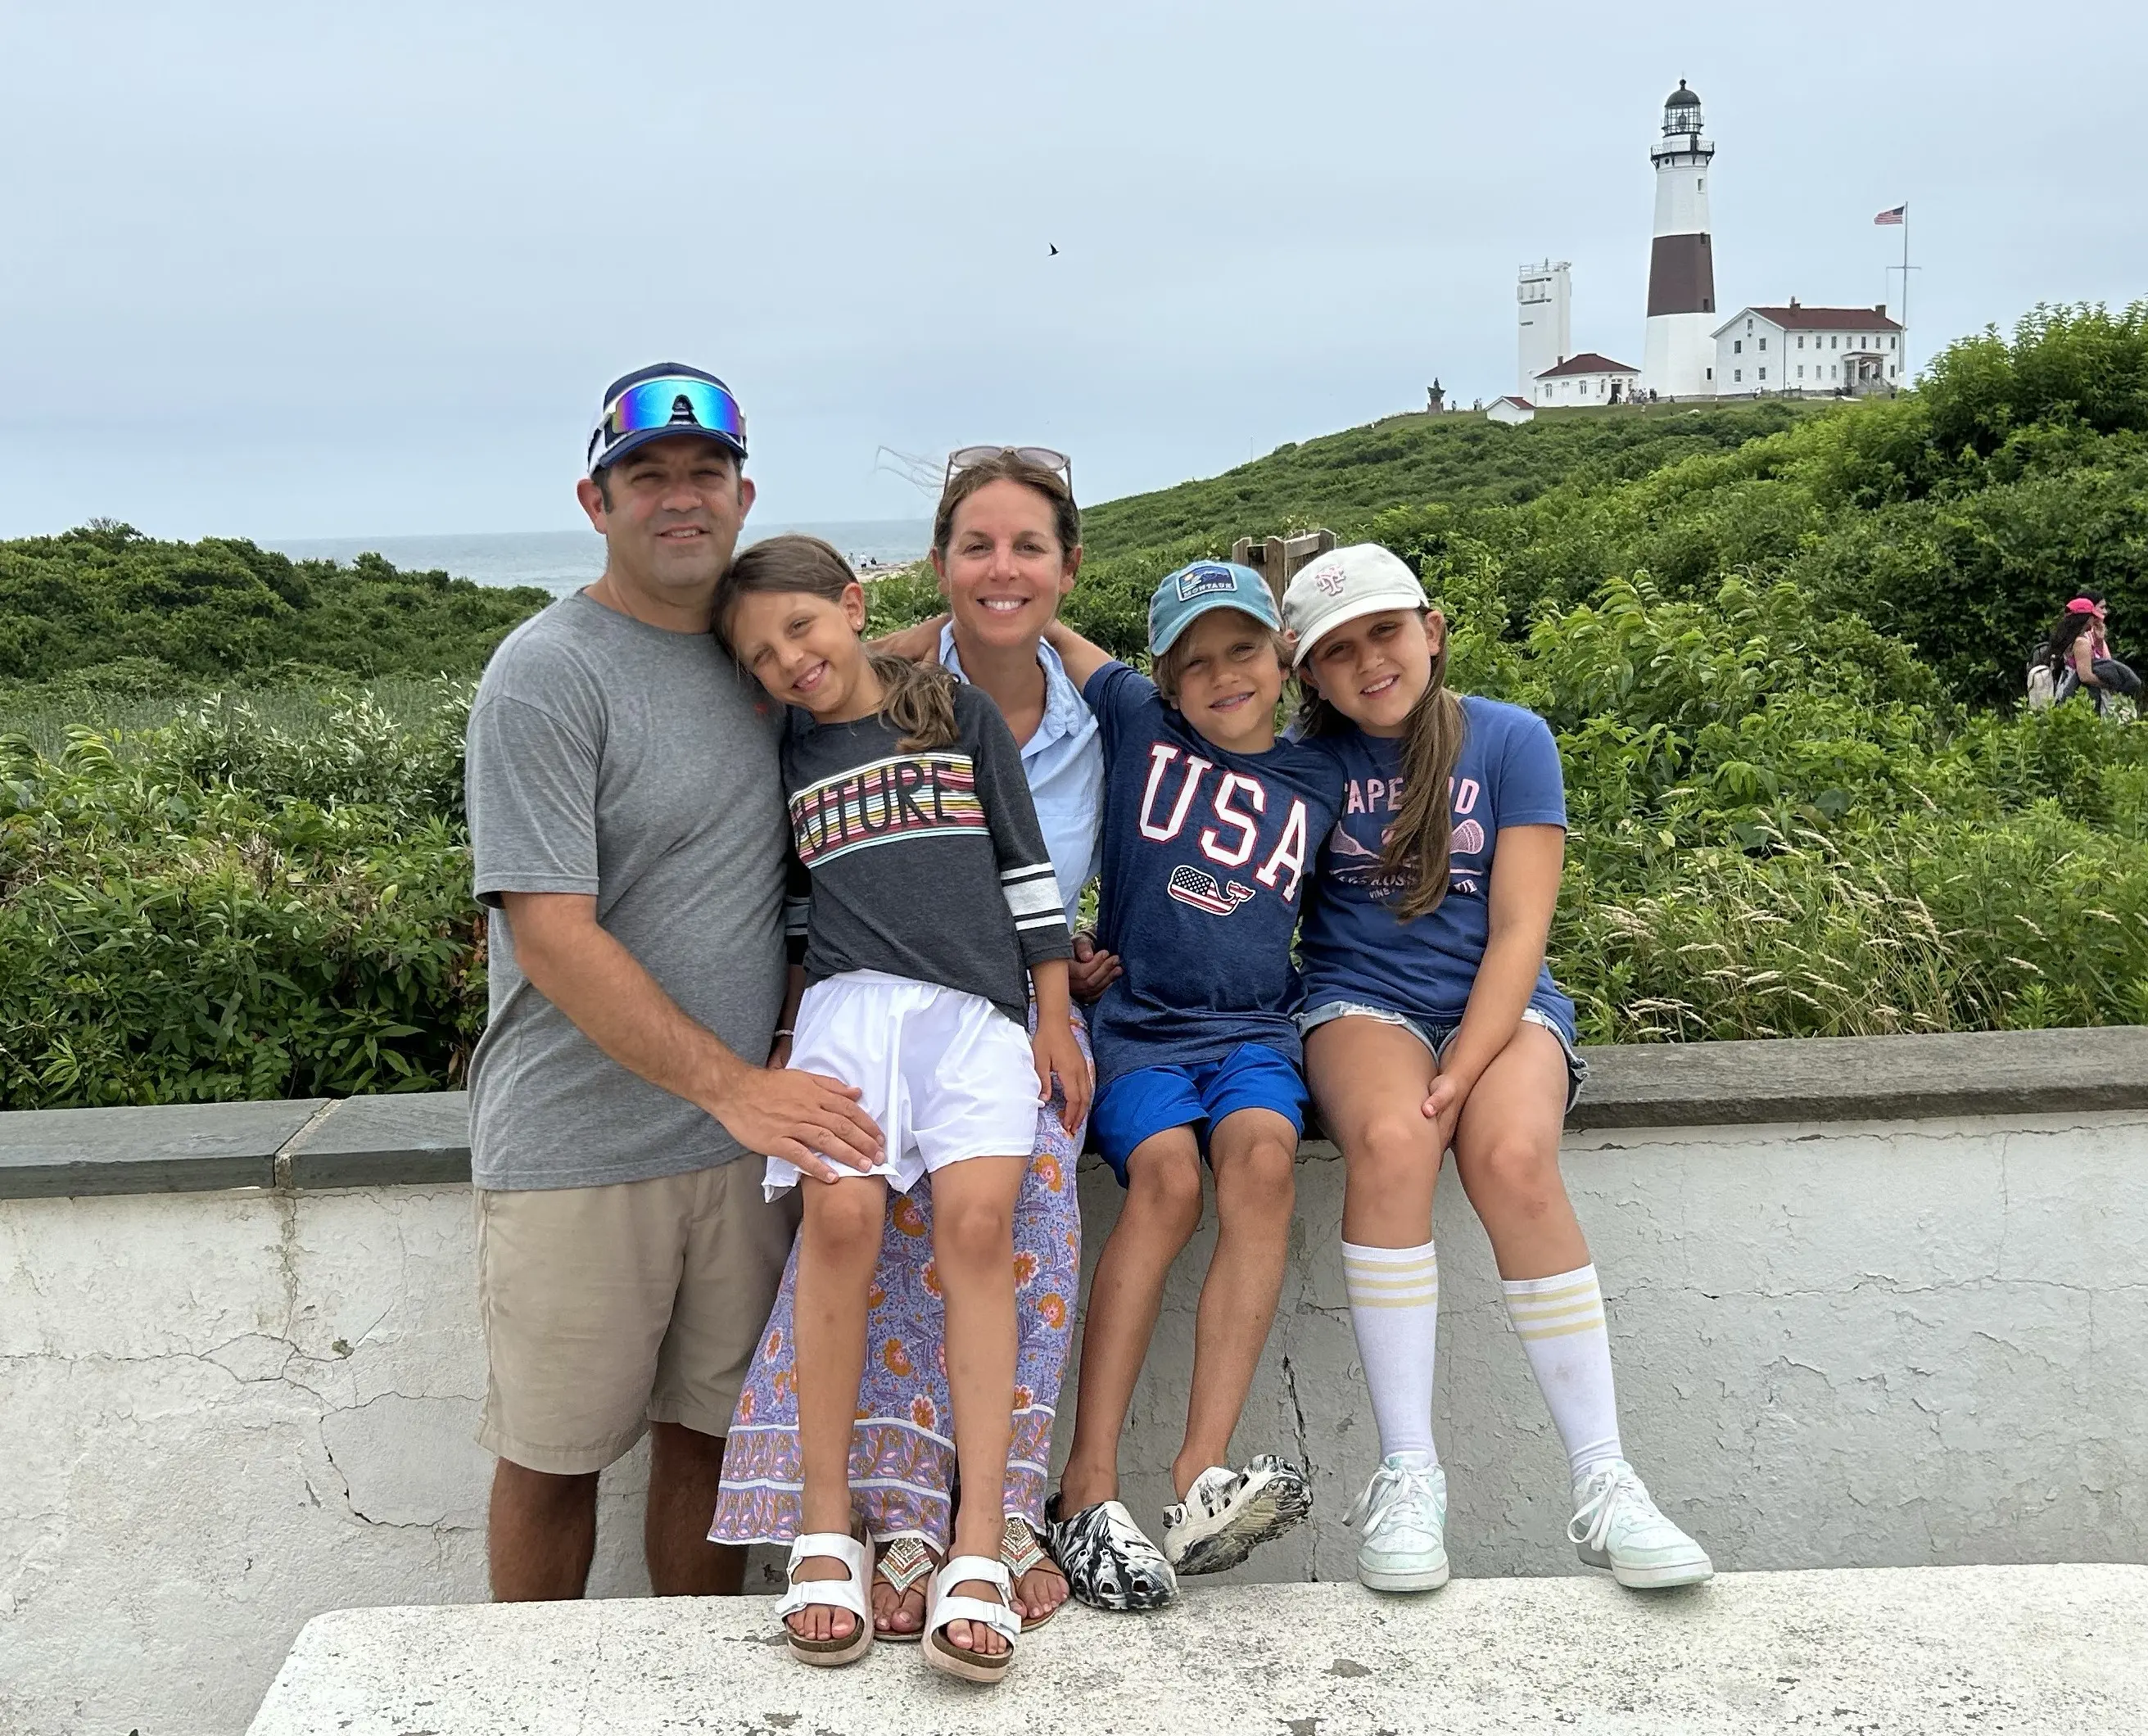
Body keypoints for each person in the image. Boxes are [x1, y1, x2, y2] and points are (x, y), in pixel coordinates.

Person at [462, 364, 883, 1603]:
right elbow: (550, 934)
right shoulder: (544, 671)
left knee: (714, 1445)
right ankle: (537, 1700)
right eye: (648, 476)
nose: (679, 498)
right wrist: (735, 1089)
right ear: (596, 503)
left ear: (743, 497)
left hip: (738, 1143)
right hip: (578, 1144)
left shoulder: (764, 661)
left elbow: (913, 651)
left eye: (705, 474)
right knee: (554, 1459)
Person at [710, 450, 1105, 1642]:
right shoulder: (780, 754)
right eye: (759, 655)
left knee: (980, 1234)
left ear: (852, 606)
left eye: (798, 628)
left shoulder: (950, 709)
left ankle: (979, 1534)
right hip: (844, 1013)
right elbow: (789, 908)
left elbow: (1027, 874)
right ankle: (824, 1523)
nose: (788, 661)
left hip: (978, 1017)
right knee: (840, 1221)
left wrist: (1048, 1012)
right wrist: (779, 1038)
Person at [1281, 542, 1712, 1594]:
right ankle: (1408, 1475)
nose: (1367, 661)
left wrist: (1465, 1067)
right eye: (1337, 651)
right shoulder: (1307, 763)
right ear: (1310, 676)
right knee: (1391, 1140)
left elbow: (1521, 925)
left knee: (1513, 1155)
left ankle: (1608, 1479)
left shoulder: (1512, 739)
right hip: (1358, 1001)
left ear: (1430, 629)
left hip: (1503, 1001)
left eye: (1384, 631)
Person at [1040, 563, 1345, 1605]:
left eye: (1245, 649)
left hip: (1255, 1029)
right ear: (1164, 676)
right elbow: (1033, 618)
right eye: (1197, 657)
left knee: (1261, 1158)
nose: (1225, 673)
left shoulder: (1320, 778)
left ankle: (1199, 1470)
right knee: (1166, 1181)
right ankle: (1085, 1482)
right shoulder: (1137, 719)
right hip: (1139, 1027)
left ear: (1282, 657)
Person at [2048, 590, 2141, 716]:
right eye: (2092, 616)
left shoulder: (2072, 637)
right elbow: (2085, 676)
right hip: (2082, 695)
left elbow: (2106, 662)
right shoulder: (2082, 642)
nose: (2095, 618)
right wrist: (2112, 684)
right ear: (2084, 618)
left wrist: (2099, 641)